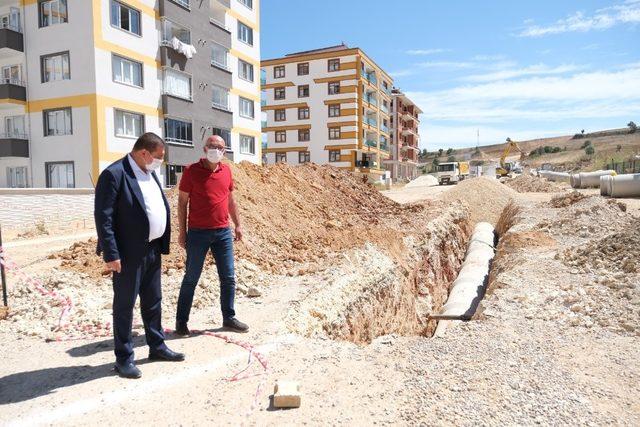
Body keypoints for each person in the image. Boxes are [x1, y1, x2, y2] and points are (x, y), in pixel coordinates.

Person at [94, 132, 184, 379]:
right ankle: (123, 358)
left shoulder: (149, 172)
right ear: (144, 153)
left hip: (152, 249)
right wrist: (111, 254)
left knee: (153, 301)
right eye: (158, 157)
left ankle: (157, 346)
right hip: (127, 254)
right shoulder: (114, 174)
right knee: (124, 306)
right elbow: (104, 218)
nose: (160, 162)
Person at [175, 135, 248, 335]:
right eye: (212, 146)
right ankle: (181, 322)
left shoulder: (226, 171)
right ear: (205, 148)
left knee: (228, 277)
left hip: (223, 232)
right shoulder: (191, 171)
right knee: (191, 278)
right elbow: (182, 203)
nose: (216, 149)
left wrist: (238, 225)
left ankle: (229, 318)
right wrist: (182, 231)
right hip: (198, 233)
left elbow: (231, 200)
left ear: (224, 151)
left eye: (220, 147)